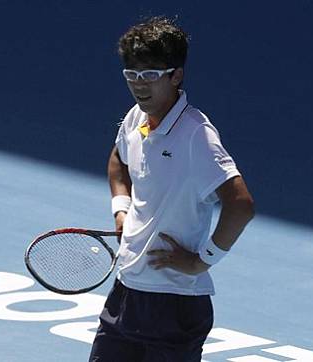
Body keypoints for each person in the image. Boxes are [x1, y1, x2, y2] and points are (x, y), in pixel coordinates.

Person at [89, 16, 255, 362]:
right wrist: (121, 208)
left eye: (150, 75)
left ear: (176, 75)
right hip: (127, 290)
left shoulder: (196, 135)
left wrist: (201, 262)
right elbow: (118, 162)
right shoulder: (136, 118)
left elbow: (240, 204)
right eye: (131, 75)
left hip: (175, 301)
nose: (139, 85)